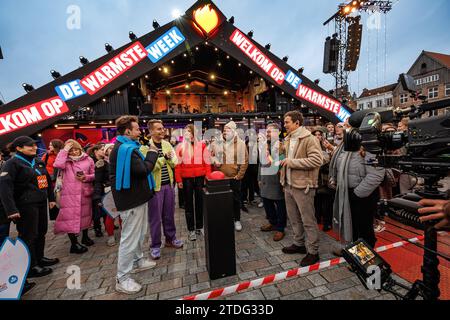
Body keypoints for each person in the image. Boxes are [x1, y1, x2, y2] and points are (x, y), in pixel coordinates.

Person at [110, 116, 159, 294]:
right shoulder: (126, 149)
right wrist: (153, 152)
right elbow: (143, 170)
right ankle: (122, 278)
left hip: (137, 198)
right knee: (129, 238)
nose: (140, 132)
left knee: (139, 233)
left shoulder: (127, 147)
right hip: (131, 200)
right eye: (137, 129)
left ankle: (138, 260)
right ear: (128, 131)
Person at [0, 136, 59, 282]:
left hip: (40, 202)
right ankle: (31, 266)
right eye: (29, 146)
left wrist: (50, 198)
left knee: (41, 231)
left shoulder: (38, 161)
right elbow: (5, 188)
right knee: (28, 235)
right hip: (25, 205)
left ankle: (40, 258)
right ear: (19, 148)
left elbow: (45, 181)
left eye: (34, 145)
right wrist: (11, 210)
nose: (34, 148)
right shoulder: (11, 164)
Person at [280, 111, 323, 267]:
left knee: (308, 221)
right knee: (293, 218)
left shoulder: (309, 139)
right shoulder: (288, 138)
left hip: (304, 186)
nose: (284, 125)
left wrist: (291, 162)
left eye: (287, 122)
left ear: (297, 123)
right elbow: (285, 158)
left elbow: (317, 160)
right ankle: (299, 244)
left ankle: (313, 252)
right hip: (289, 185)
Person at [330, 141, 386, 251]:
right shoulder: (345, 144)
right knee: (352, 226)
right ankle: (354, 253)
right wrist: (336, 179)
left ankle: (365, 258)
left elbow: (376, 174)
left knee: (364, 229)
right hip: (347, 192)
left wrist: (357, 193)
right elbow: (339, 165)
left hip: (364, 195)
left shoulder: (370, 145)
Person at [145, 120, 183, 260]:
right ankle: (155, 245)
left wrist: (166, 159)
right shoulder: (146, 146)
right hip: (155, 187)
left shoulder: (167, 144)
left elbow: (174, 162)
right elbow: (149, 167)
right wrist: (163, 159)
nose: (162, 131)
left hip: (169, 185)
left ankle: (170, 239)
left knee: (169, 215)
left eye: (163, 128)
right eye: (159, 129)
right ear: (151, 131)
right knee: (155, 218)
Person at [53, 139, 96, 254]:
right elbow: (57, 164)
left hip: (84, 192)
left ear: (80, 148)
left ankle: (85, 237)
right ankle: (74, 243)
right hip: (68, 194)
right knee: (69, 218)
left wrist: (86, 177)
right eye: (71, 151)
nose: (74, 152)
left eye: (76, 149)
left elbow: (94, 174)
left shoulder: (88, 159)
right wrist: (64, 150)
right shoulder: (64, 161)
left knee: (86, 215)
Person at [175, 124, 212, 241]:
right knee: (188, 205)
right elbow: (177, 166)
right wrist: (179, 180)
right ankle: (191, 229)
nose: (187, 133)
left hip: (200, 178)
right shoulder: (180, 147)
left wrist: (208, 176)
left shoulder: (201, 146)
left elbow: (207, 162)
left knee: (200, 203)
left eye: (189, 131)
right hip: (187, 179)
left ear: (193, 133)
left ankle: (200, 226)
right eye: (185, 131)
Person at [211, 121, 249, 232]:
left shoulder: (241, 143)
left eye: (228, 130)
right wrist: (214, 161)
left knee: (235, 199)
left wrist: (240, 175)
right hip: (220, 177)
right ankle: (225, 219)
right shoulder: (216, 143)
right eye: (224, 130)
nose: (225, 132)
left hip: (234, 177)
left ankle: (237, 219)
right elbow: (210, 155)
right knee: (221, 200)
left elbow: (245, 161)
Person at [258, 123, 287, 242]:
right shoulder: (265, 145)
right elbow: (261, 164)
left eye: (270, 131)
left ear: (278, 132)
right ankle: (272, 223)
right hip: (265, 181)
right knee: (267, 204)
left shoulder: (282, 146)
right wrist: (259, 178)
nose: (268, 134)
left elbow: (277, 165)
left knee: (280, 207)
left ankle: (280, 228)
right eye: (267, 132)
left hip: (276, 181)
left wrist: (268, 154)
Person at [311, 127, 334, 232]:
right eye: (315, 134)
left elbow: (332, 162)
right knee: (317, 201)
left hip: (325, 178)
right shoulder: (310, 147)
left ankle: (327, 222)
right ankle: (317, 218)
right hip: (314, 179)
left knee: (327, 203)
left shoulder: (327, 146)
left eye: (319, 134)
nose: (317, 136)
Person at [89, 144, 107, 238]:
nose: (104, 151)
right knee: (96, 210)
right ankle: (97, 228)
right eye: (102, 149)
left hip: (104, 187)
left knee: (105, 207)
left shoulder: (105, 160)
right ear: (96, 151)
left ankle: (107, 224)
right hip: (95, 187)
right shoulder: (91, 161)